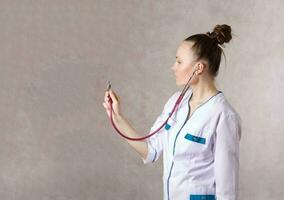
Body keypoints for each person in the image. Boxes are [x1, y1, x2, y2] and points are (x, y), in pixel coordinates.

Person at [103, 24, 242, 200]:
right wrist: (116, 116)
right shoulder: (176, 103)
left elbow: (227, 190)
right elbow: (150, 151)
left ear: (198, 68)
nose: (173, 67)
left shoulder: (223, 116)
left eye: (179, 61)